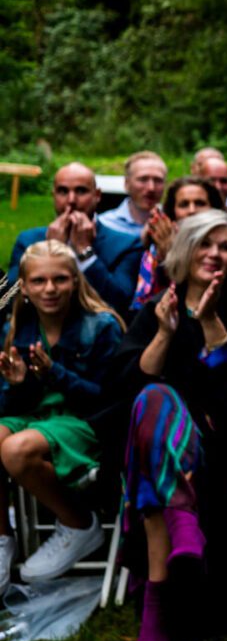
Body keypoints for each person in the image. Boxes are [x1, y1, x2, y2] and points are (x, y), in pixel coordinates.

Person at [115, 210, 227, 641]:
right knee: (154, 399)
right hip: (159, 451)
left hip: (223, 445)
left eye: (226, 247)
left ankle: (156, 604)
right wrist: (165, 334)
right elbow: (129, 386)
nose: (215, 254)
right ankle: (179, 529)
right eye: (205, 243)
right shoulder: (156, 310)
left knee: (158, 408)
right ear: (185, 251)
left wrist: (209, 325)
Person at [0, 241, 124, 593]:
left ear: (76, 281)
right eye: (38, 281)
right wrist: (19, 384)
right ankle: (2, 540)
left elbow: (109, 400)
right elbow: (12, 406)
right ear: (22, 286)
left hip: (86, 422)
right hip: (38, 416)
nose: (50, 289)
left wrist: (55, 374)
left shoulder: (101, 326)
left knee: (16, 450)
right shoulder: (17, 328)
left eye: (60, 279)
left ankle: (79, 523)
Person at [7, 162, 144, 316]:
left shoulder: (127, 244)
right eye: (63, 191)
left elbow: (119, 303)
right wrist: (50, 249)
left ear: (97, 195)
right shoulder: (28, 240)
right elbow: (8, 299)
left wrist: (86, 253)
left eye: (81, 191)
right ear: (53, 196)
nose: (71, 200)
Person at [131, 177, 224, 309]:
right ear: (173, 212)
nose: (192, 210)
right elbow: (142, 305)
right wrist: (166, 255)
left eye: (200, 203)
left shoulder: (224, 247)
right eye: (184, 204)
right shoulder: (155, 252)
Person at [99, 151, 168, 241]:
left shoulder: (173, 223)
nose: (151, 188)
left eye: (158, 180)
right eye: (143, 179)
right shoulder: (105, 225)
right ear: (127, 184)